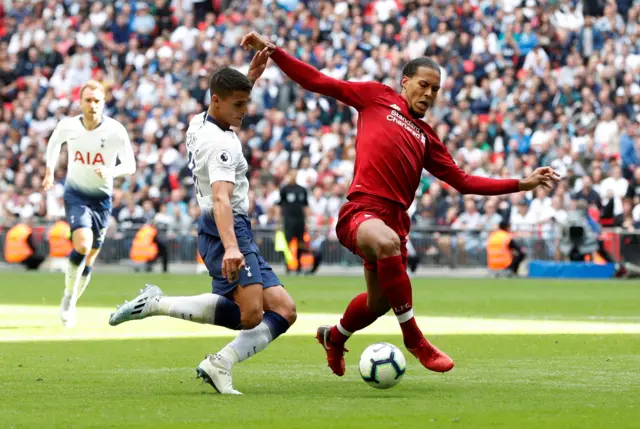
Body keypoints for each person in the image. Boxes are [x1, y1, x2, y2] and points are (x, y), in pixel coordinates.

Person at [241, 32, 559, 376]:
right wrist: (272, 51)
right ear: (405, 82)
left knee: (378, 303)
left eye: (435, 90)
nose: (429, 94)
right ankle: (414, 339)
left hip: (395, 222)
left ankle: (333, 337)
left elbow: (464, 181)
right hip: (362, 211)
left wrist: (521, 183)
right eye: (424, 85)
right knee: (385, 242)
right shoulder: (377, 97)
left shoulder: (426, 136)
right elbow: (319, 80)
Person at [108, 50, 297, 395]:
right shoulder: (220, 144)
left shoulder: (201, 122)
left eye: (246, 103)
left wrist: (249, 77)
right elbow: (222, 198)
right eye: (238, 105)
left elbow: (225, 95)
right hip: (225, 226)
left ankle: (219, 363)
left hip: (231, 225)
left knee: (284, 310)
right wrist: (230, 246)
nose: (244, 112)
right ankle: (157, 304)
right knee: (251, 314)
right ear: (217, 102)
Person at [44, 80, 136, 328]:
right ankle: (68, 298)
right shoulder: (68, 126)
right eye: (88, 100)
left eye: (97, 100)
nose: (92, 105)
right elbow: (54, 144)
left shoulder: (115, 130)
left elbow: (130, 164)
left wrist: (110, 170)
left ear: (103, 102)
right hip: (76, 194)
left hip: (102, 200)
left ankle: (72, 299)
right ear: (80, 102)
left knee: (92, 256)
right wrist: (49, 171)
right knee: (83, 245)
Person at [279, 170, 310, 274]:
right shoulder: (284, 189)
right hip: (288, 220)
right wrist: (279, 221)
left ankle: (299, 266)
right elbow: (280, 206)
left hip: (300, 220)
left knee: (300, 243)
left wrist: (308, 221)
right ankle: (287, 265)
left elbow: (305, 206)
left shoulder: (302, 190)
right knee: (287, 243)